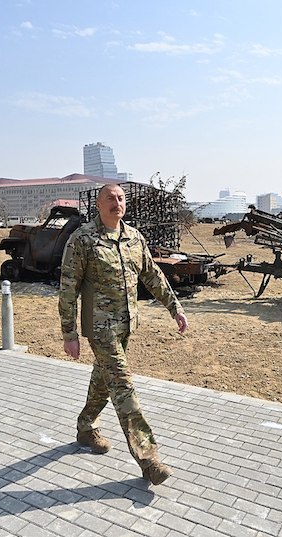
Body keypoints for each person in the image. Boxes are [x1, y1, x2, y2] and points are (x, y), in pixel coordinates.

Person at [58, 183, 188, 486]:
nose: (117, 203)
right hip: (100, 329)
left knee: (104, 380)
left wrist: (175, 308)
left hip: (126, 325)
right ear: (99, 206)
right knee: (123, 387)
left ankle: (86, 426)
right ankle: (149, 459)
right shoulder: (83, 240)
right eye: (110, 199)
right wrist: (70, 333)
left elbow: (152, 274)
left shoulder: (133, 237)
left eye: (120, 198)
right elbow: (67, 289)